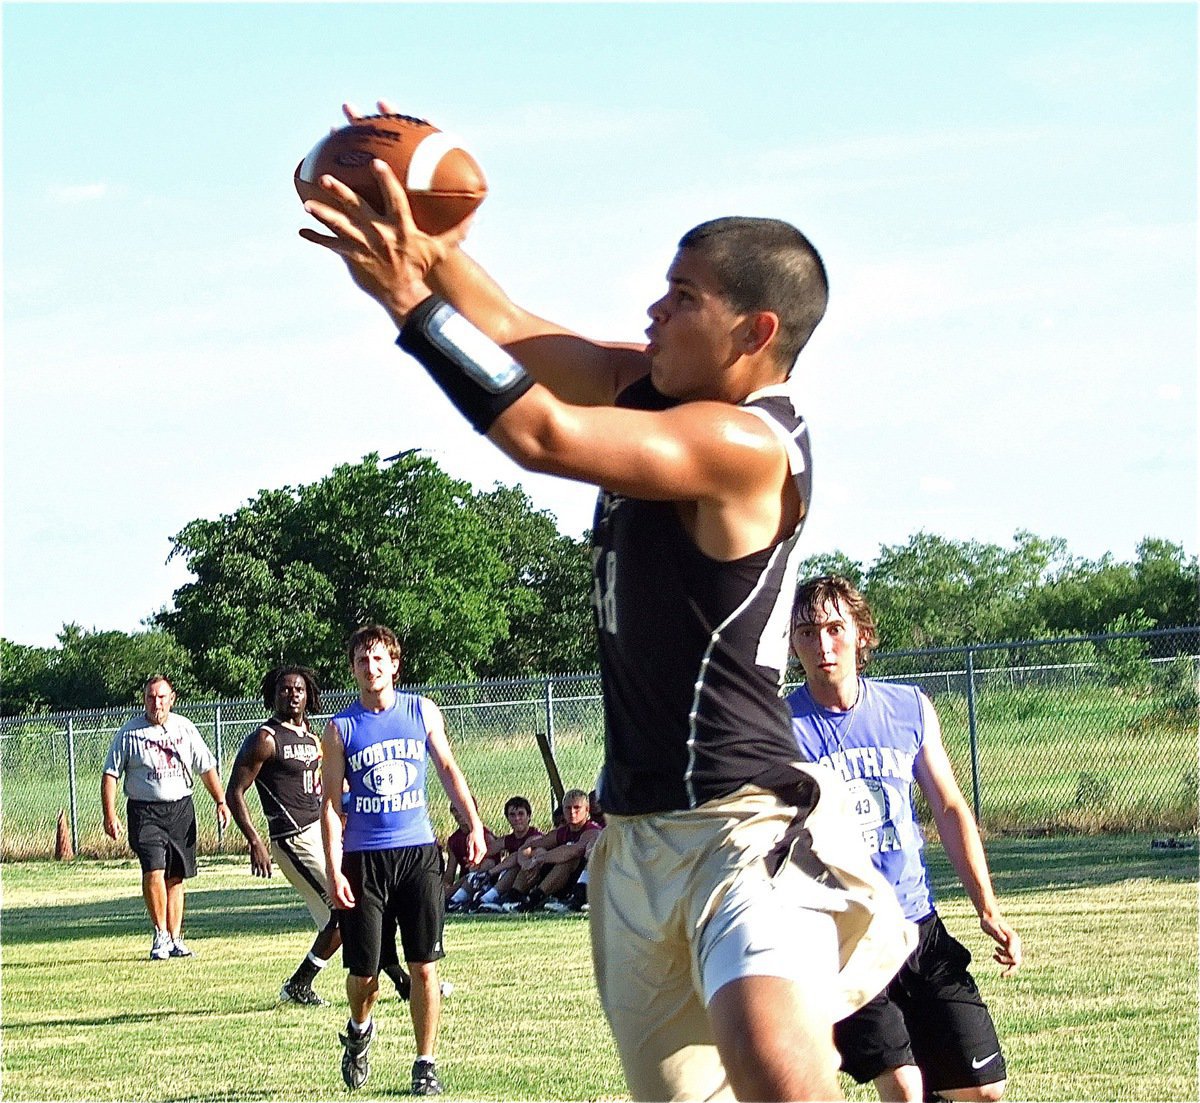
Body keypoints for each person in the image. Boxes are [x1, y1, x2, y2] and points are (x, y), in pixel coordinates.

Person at [301, 101, 915, 1101]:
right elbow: (513, 330)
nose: (653, 311)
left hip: (741, 822)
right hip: (633, 835)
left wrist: (411, 302)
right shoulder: (650, 386)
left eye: (682, 296)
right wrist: (434, 240)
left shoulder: (750, 443)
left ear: (754, 330)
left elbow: (542, 434)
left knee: (772, 1062)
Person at [787, 575, 1022, 1102]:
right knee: (905, 1088)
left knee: (984, 1090)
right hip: (842, 937)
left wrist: (987, 906)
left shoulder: (908, 708)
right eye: (806, 633)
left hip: (917, 927)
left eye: (834, 628)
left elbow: (950, 806)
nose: (823, 646)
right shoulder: (779, 726)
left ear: (861, 634)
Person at [321, 624, 485, 1096]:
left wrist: (472, 824)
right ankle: (358, 1030)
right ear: (352, 670)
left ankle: (425, 1063)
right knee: (364, 974)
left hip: (417, 853)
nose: (370, 669)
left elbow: (449, 768)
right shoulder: (340, 729)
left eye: (378, 660)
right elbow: (331, 806)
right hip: (364, 860)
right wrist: (334, 869)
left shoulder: (420, 711)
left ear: (394, 664)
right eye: (360, 661)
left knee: (425, 965)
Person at [227, 665, 343, 1005]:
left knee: (352, 911)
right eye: (284, 689)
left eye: (299, 689)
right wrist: (255, 840)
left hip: (321, 832)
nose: (292, 694)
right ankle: (299, 984)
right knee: (344, 910)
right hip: (293, 837)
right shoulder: (265, 738)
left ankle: (302, 984)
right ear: (272, 695)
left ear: (309, 696)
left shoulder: (310, 735)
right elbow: (235, 792)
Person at [101, 674, 230, 960]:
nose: (155, 703)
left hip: (180, 809)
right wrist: (109, 814)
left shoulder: (185, 728)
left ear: (172, 699)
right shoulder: (130, 733)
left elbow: (206, 767)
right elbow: (110, 774)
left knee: (176, 876)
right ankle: (159, 935)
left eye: (161, 697)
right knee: (153, 869)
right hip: (145, 811)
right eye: (150, 697)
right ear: (144, 700)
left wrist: (221, 801)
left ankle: (175, 937)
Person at [502, 788, 602, 914]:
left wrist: (539, 858)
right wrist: (526, 863)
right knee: (537, 851)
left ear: (587, 810)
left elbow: (573, 851)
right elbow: (525, 848)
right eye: (568, 808)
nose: (572, 812)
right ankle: (513, 895)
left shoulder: (593, 831)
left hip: (582, 882)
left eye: (577, 808)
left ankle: (534, 900)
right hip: (559, 881)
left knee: (566, 860)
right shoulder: (561, 832)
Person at [474, 794, 544, 912]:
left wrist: (490, 873)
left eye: (521, 814)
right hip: (515, 877)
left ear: (529, 816)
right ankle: (458, 899)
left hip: (533, 877)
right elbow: (485, 852)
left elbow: (520, 854)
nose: (517, 818)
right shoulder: (508, 839)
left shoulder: (535, 836)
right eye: (512, 815)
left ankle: (488, 898)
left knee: (517, 860)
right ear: (507, 818)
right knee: (486, 863)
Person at [443, 796, 497, 911]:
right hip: (464, 882)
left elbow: (491, 865)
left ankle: (454, 901)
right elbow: (450, 872)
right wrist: (445, 888)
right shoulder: (453, 840)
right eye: (454, 810)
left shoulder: (485, 837)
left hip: (484, 881)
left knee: (476, 874)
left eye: (461, 808)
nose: (458, 813)